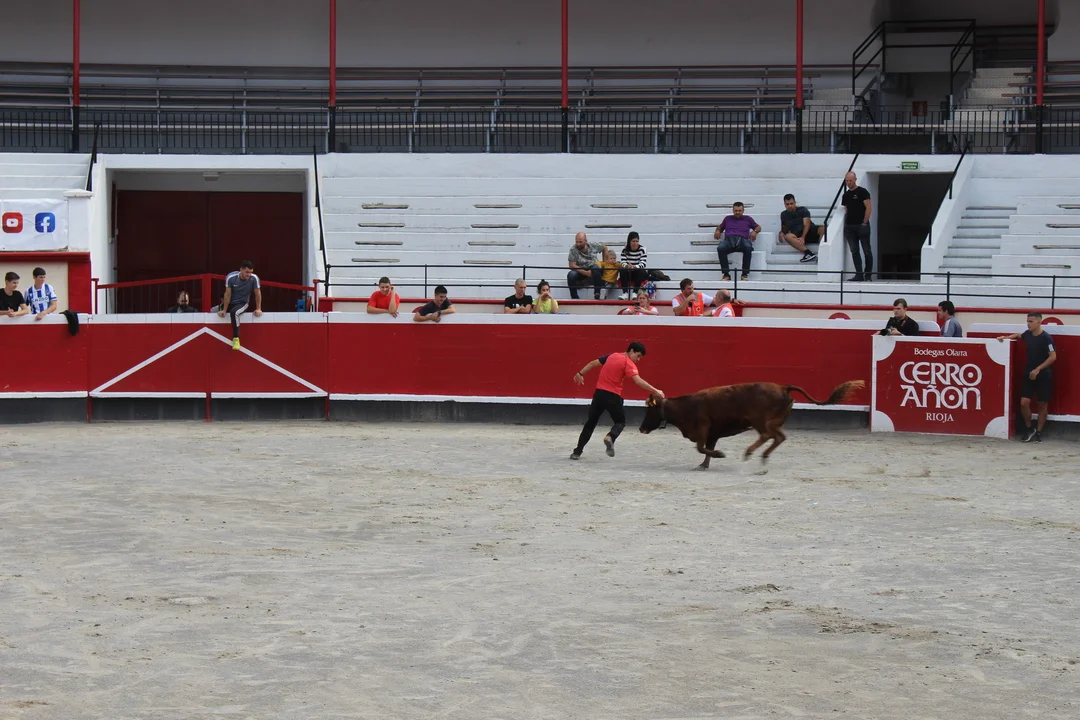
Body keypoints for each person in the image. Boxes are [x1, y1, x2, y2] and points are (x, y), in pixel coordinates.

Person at [570, 341, 665, 460]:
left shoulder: (612, 356)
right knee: (620, 422)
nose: (638, 359)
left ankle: (577, 452)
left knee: (590, 424)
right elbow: (638, 381)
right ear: (631, 351)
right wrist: (656, 390)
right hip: (612, 397)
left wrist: (580, 373)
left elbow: (592, 363)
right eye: (638, 356)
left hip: (599, 395)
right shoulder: (628, 362)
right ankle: (610, 437)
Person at [998, 312, 1057, 443]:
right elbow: (1018, 335)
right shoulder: (1028, 334)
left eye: (1031, 321)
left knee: (1042, 404)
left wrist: (1038, 369)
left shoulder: (1046, 338)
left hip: (1043, 375)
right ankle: (1029, 428)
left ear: (1039, 322)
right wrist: (1006, 337)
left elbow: (1053, 357)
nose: (1028, 324)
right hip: (1029, 374)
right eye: (1027, 321)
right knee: (1024, 402)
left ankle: (1039, 432)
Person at [217, 260, 263, 350]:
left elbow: (258, 294)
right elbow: (227, 294)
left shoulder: (254, 278)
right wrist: (224, 310)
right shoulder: (231, 277)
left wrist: (258, 308)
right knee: (216, 311)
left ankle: (236, 338)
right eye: (247, 272)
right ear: (241, 270)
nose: (249, 275)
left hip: (243, 303)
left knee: (234, 312)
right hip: (230, 303)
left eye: (250, 272)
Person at [713, 202, 760, 282]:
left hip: (742, 240)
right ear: (733, 210)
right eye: (736, 210)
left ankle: (744, 274)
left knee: (748, 247)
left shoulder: (748, 219)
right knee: (720, 248)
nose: (738, 212)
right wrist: (717, 231)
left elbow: (758, 227)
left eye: (740, 210)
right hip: (729, 240)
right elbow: (720, 227)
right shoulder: (727, 219)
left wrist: (755, 231)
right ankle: (726, 274)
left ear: (743, 210)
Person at [841, 172, 873, 282]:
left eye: (850, 180)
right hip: (850, 226)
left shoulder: (862, 192)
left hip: (862, 225)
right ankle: (859, 274)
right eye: (847, 181)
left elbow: (868, 207)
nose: (848, 183)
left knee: (867, 251)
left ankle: (868, 275)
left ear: (855, 179)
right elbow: (846, 209)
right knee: (854, 251)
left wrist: (865, 222)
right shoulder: (845, 195)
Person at [778, 194, 819, 263]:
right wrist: (781, 233)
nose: (790, 206)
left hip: (810, 232)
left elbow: (807, 224)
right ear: (784, 204)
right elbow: (785, 229)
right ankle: (808, 253)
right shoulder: (783, 214)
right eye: (787, 204)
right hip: (797, 236)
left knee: (823, 229)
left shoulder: (802, 210)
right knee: (788, 236)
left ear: (795, 202)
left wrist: (803, 237)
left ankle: (823, 254)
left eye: (791, 203)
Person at [566, 231, 607, 300]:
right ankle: (574, 297)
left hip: (594, 268)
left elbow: (604, 247)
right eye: (577, 242)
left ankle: (597, 293)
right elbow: (572, 265)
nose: (578, 244)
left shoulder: (592, 245)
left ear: (585, 241)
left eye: (580, 242)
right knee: (571, 275)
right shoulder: (573, 249)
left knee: (595, 268)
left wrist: (604, 264)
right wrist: (586, 273)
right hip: (580, 270)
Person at [619, 231, 649, 298]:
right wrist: (626, 266)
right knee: (622, 270)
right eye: (633, 241)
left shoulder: (642, 249)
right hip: (628, 271)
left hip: (638, 272)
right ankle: (625, 293)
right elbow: (623, 262)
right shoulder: (625, 250)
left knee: (640, 270)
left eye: (636, 241)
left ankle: (635, 292)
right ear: (629, 241)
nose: (635, 243)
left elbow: (643, 263)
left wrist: (635, 266)